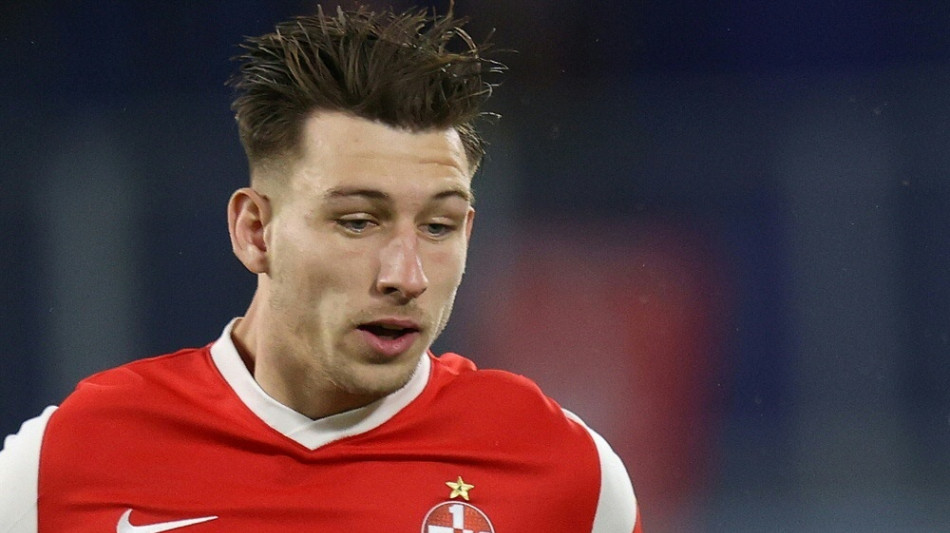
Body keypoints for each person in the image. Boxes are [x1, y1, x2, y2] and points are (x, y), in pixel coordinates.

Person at [0, 5, 641, 532]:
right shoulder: (65, 462)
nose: (406, 276)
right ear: (255, 231)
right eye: (358, 222)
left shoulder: (562, 472)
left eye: (438, 226)